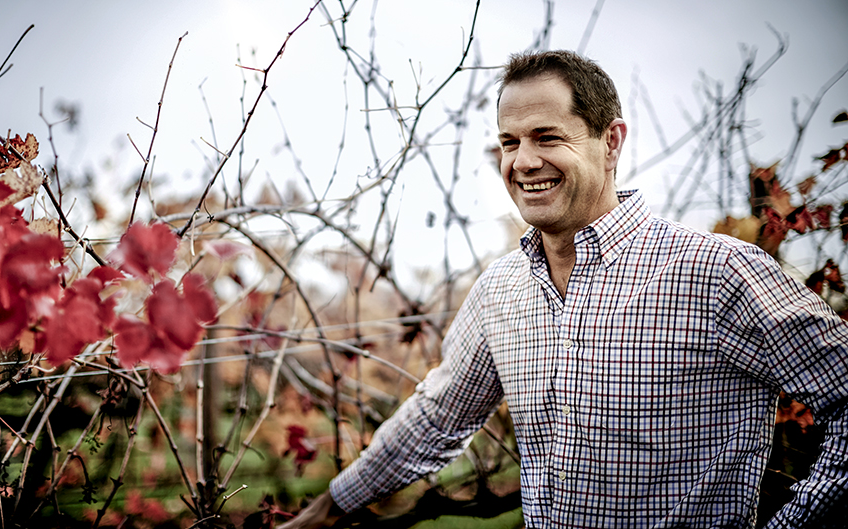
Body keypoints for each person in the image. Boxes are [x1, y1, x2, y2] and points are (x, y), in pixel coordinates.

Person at [280, 50, 848, 528]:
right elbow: (437, 418)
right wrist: (332, 504)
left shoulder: (717, 272)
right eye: (508, 142)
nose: (523, 162)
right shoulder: (502, 290)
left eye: (546, 136)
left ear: (611, 141)